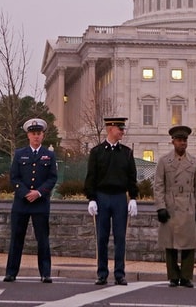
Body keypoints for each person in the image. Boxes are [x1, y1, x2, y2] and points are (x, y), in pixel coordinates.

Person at [85, 116, 138, 286]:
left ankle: (119, 274)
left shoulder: (127, 152)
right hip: (102, 197)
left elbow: (132, 178)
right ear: (110, 129)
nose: (123, 131)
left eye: (123, 129)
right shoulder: (97, 152)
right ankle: (102, 273)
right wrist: (91, 198)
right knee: (102, 237)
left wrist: (133, 198)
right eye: (120, 129)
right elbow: (91, 178)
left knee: (120, 237)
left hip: (119, 198)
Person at [3, 118, 58, 284]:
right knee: (16, 239)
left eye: (38, 134)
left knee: (42, 239)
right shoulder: (20, 154)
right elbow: (14, 177)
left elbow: (52, 178)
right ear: (28, 135)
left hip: (40, 204)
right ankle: (11, 272)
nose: (36, 136)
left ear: (43, 135)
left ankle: (45, 273)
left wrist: (39, 193)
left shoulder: (49, 155)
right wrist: (26, 192)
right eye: (33, 133)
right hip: (22, 203)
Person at [154, 125, 196, 288]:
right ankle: (173, 276)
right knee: (170, 244)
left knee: (189, 244)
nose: (182, 143)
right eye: (179, 140)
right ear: (173, 142)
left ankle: (186, 276)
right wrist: (160, 207)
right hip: (170, 205)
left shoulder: (194, 162)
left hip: (188, 205)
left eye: (184, 140)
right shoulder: (164, 161)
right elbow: (158, 186)